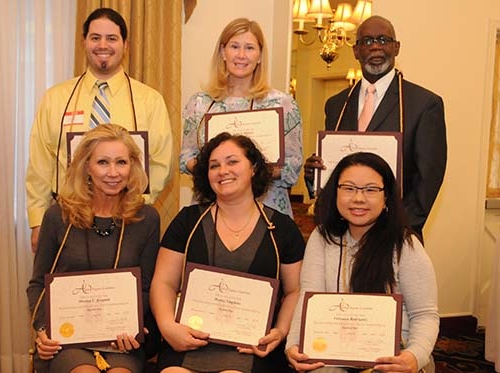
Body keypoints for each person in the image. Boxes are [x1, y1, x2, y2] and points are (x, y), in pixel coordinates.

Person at [151, 132, 305, 372]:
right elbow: (164, 282)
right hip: (190, 341)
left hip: (251, 347)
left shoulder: (282, 229)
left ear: (253, 168)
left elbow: (295, 290)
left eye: (232, 161)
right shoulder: (188, 221)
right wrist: (167, 326)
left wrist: (280, 331)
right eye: (214, 165)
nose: (223, 170)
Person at [26, 7, 173, 252]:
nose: (102, 45)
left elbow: (161, 163)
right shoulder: (55, 99)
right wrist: (38, 221)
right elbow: (40, 164)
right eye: (95, 37)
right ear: (84, 42)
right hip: (66, 219)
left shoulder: (149, 100)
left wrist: (133, 205)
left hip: (128, 221)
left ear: (125, 45)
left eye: (111, 38)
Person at [286, 152, 439, 373]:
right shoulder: (322, 238)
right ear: (335, 192)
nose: (358, 198)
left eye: (370, 190)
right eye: (348, 188)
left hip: (393, 357)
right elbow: (309, 298)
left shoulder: (405, 246)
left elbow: (425, 314)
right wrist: (293, 345)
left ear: (386, 196)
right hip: (333, 352)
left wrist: (414, 356)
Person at [27, 124, 160, 372]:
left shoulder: (147, 218)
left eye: (121, 162)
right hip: (67, 340)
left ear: (132, 166)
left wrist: (134, 322)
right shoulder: (59, 216)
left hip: (121, 340)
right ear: (86, 166)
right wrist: (44, 330)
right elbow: (38, 284)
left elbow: (146, 286)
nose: (113, 172)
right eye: (103, 162)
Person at [304, 15, 447, 237]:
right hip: (343, 231)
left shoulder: (424, 104)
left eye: (383, 39)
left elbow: (428, 178)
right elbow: (337, 169)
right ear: (356, 51)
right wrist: (315, 174)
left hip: (396, 234)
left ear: (396, 47)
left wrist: (399, 227)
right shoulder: (336, 105)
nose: (376, 46)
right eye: (368, 41)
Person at [179, 18, 302, 217]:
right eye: (234, 46)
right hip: (212, 209)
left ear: (260, 55)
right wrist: (218, 169)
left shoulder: (283, 104)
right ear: (223, 52)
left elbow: (292, 167)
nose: (242, 55)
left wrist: (248, 171)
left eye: (250, 48)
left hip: (267, 210)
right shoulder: (200, 104)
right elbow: (186, 159)